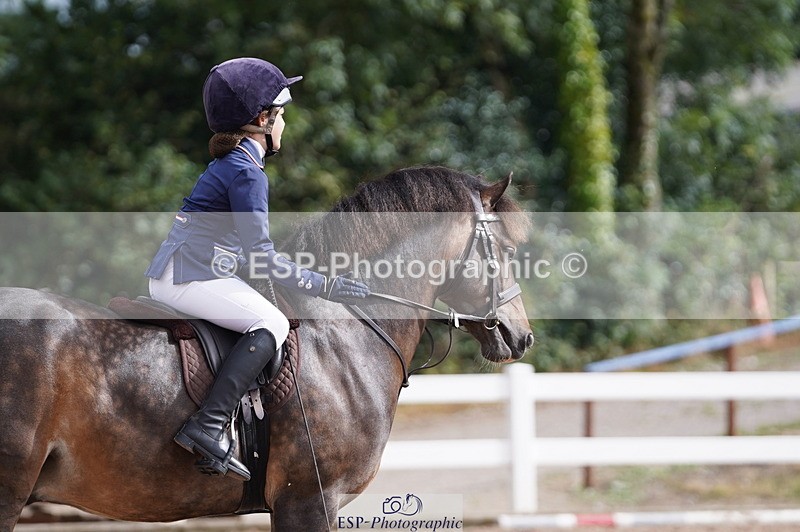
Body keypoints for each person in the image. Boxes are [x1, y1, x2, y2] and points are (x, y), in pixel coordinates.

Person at [145, 57, 370, 481]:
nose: (284, 125)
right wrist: (326, 284)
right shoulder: (247, 173)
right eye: (281, 116)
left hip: (187, 271)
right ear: (262, 119)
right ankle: (209, 425)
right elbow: (262, 257)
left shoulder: (232, 165)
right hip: (188, 276)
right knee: (272, 322)